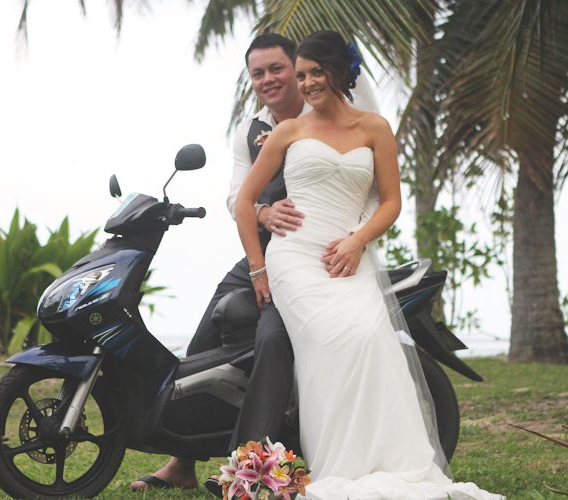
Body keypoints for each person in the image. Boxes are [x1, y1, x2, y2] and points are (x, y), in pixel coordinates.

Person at [234, 30, 503, 499]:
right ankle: (335, 465)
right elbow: (244, 201)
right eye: (302, 75)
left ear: (342, 70)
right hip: (295, 258)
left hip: (349, 257)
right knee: (334, 341)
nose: (309, 82)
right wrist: (258, 268)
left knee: (371, 340)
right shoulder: (288, 131)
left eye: (317, 72)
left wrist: (358, 241)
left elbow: (392, 203)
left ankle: (390, 463)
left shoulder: (375, 128)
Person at [129, 33, 379, 493]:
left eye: (279, 69)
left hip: (321, 257)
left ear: (302, 68)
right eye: (257, 73)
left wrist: (355, 239)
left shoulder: (332, 117)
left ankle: (254, 466)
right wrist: (261, 221)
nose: (269, 80)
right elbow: (236, 194)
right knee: (204, 337)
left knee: (271, 340)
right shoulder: (253, 128)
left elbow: (370, 189)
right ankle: (182, 459)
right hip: (260, 253)